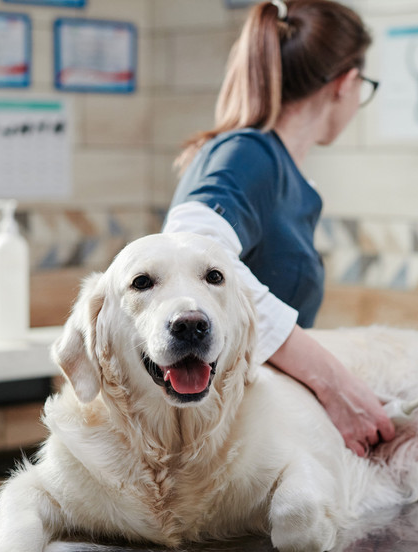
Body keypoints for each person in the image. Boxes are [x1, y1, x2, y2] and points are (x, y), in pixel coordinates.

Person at [162, 0, 394, 456]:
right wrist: (334, 384)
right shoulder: (249, 154)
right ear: (346, 84)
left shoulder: (277, 170)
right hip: (226, 445)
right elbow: (188, 249)